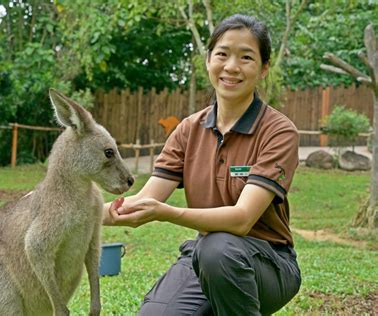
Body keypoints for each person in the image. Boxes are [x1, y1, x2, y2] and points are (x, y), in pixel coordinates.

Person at [103, 14, 301, 316]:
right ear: (208, 60)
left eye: (246, 57)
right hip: (204, 259)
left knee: (218, 248)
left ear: (263, 69)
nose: (231, 67)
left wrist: (168, 214)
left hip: (268, 263)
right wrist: (62, 210)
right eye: (222, 54)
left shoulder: (278, 131)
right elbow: (143, 201)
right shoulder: (188, 130)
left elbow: (241, 220)